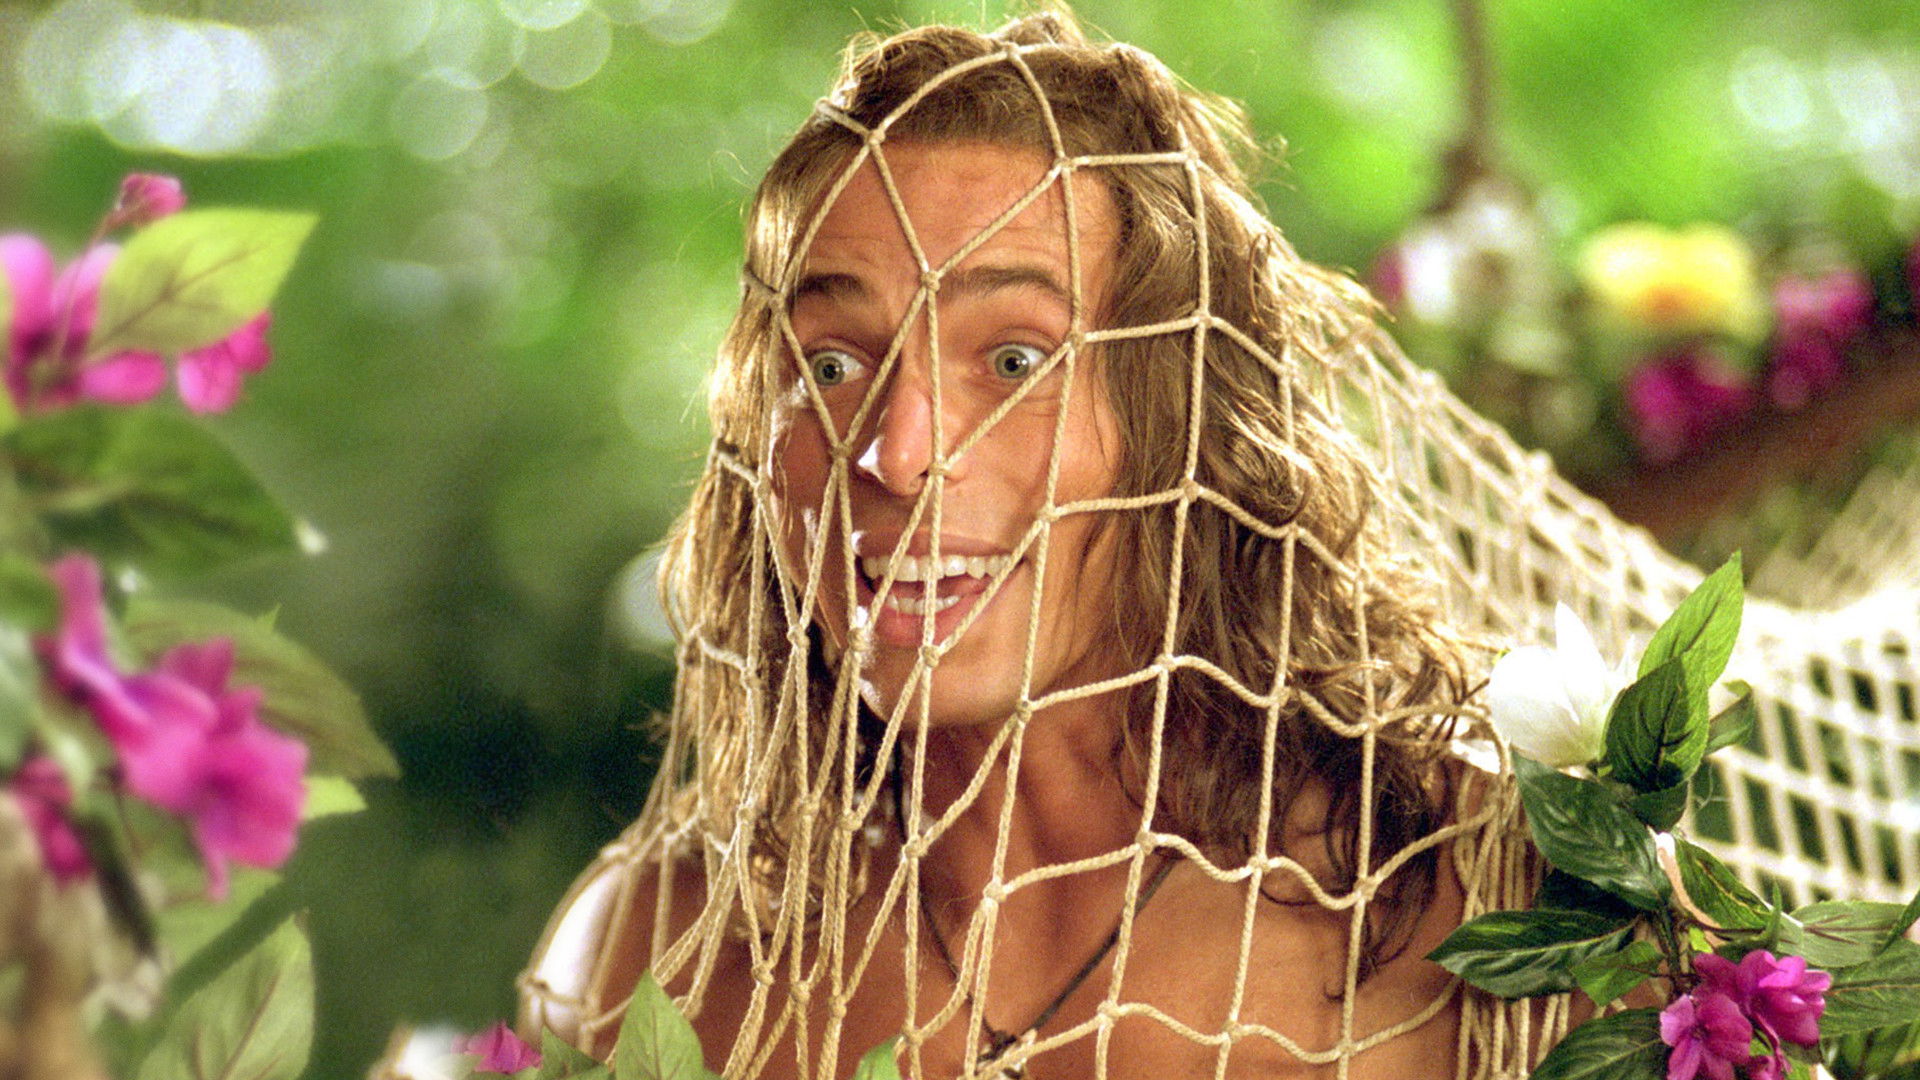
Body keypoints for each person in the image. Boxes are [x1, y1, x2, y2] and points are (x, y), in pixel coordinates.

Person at [521, 11, 1538, 1079]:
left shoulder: (1494, 914)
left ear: (1183, 422)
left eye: (1014, 361)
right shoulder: (651, 956)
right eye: (830, 366)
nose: (896, 454)